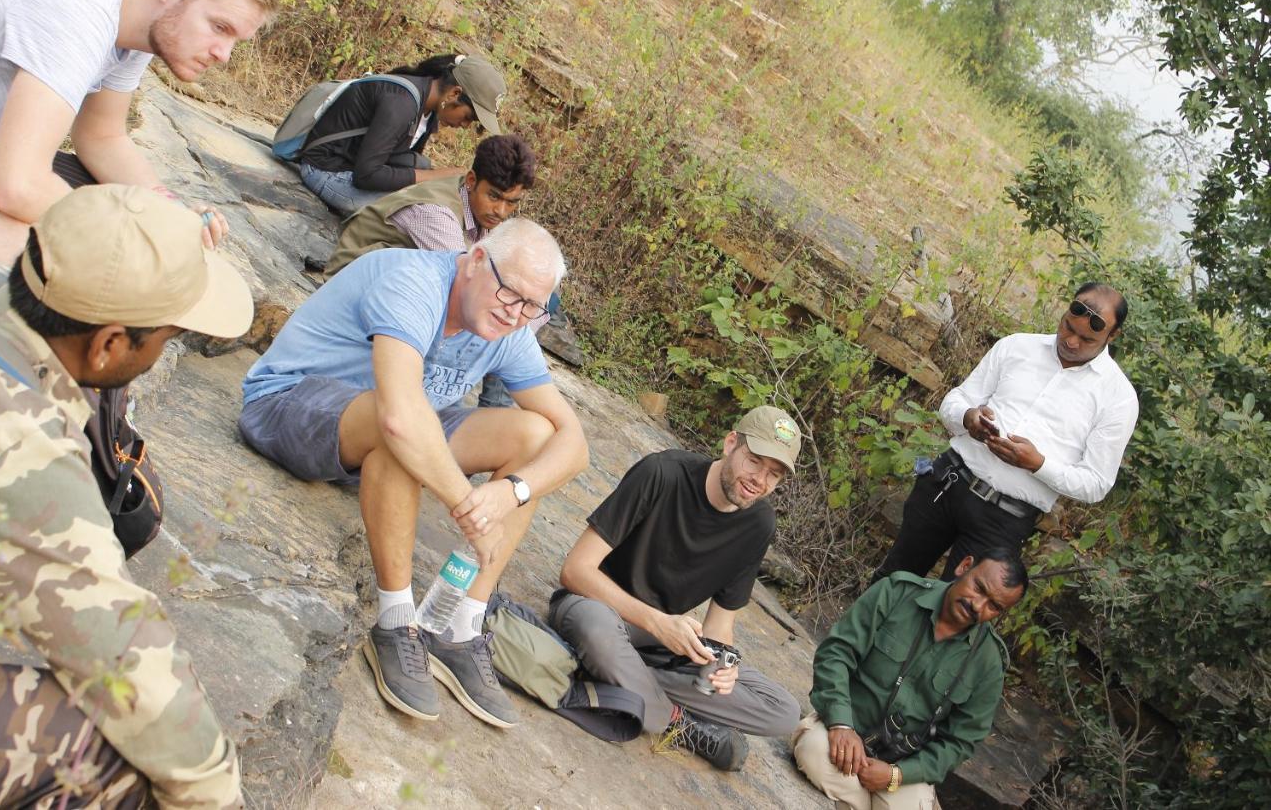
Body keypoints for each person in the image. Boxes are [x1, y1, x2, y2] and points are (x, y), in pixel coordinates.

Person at [238, 218, 589, 729]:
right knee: (404, 422)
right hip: (290, 406)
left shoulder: (507, 327)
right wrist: (470, 508)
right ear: (474, 262)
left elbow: (573, 443)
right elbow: (400, 417)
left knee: (534, 436)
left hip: (381, 436)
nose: (516, 315)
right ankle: (396, 622)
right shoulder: (412, 282)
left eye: (533, 307)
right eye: (510, 293)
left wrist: (511, 492)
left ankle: (458, 623)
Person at [0, 185, 255, 807]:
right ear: (109, 344)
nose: (165, 350)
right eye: (165, 336)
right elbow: (132, 670)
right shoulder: (20, 446)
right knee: (117, 752)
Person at [0, 0, 285, 287]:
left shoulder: (137, 17)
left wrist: (167, 213)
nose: (224, 54)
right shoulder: (82, 8)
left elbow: (101, 136)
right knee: (93, 253)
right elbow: (17, 184)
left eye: (236, 40)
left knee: (107, 206)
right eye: (219, 27)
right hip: (8, 177)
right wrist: (143, 232)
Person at [549, 406, 803, 771]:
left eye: (773, 474)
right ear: (731, 443)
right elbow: (575, 570)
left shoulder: (759, 523)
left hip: (665, 646)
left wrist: (721, 665)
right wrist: (657, 622)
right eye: (754, 461)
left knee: (783, 711)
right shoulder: (662, 473)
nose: (759, 480)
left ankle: (617, 680)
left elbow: (720, 625)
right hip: (601, 609)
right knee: (596, 630)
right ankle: (677, 722)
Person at [872, 283, 1139, 582]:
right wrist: (969, 417)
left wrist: (1037, 464)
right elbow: (955, 401)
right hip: (948, 483)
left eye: (1087, 339)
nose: (1072, 341)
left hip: (1004, 520)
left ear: (1112, 336)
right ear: (1065, 312)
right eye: (1067, 327)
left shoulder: (1119, 398)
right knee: (891, 581)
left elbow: (1096, 484)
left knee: (952, 615)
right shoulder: (1018, 346)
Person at [792, 549, 1027, 809]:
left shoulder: (989, 662)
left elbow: (960, 742)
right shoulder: (896, 592)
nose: (978, 605)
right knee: (813, 753)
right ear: (964, 566)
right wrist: (840, 724)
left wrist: (898, 775)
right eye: (979, 587)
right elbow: (836, 653)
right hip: (846, 729)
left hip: (902, 766)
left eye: (994, 606)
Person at [299, 54, 507, 215]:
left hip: (351, 165)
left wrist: (433, 179)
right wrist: (435, 176)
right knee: (416, 210)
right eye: (468, 117)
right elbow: (367, 175)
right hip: (324, 171)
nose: (464, 125)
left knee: (424, 172)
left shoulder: (429, 111)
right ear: (454, 93)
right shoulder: (402, 103)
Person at [326, 133, 535, 275]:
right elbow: (463, 279)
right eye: (494, 197)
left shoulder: (475, 203)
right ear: (471, 180)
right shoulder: (436, 213)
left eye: (512, 203)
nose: (500, 211)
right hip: (348, 279)